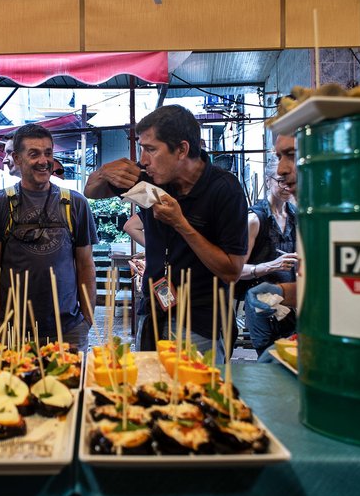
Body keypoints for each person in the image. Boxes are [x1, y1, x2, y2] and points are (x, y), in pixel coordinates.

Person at [85, 105, 248, 361]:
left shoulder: (224, 190)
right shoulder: (149, 181)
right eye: (141, 148)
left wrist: (181, 224)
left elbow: (231, 270)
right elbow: (92, 191)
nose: (143, 159)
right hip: (153, 310)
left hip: (198, 320)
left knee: (192, 395)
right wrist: (105, 171)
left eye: (151, 149)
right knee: (151, 391)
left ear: (182, 149)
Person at [0, 124, 98, 353]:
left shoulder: (75, 203)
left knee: (71, 387)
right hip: (16, 331)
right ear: (17, 158)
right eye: (34, 154)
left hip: (69, 329)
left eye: (48, 153)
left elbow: (85, 265)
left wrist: (86, 321)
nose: (44, 161)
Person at [236, 156, 299, 357]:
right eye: (282, 180)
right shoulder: (254, 219)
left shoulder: (295, 216)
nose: (287, 187)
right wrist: (270, 266)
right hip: (261, 304)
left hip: (289, 303)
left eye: (292, 181)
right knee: (269, 360)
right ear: (268, 180)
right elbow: (235, 270)